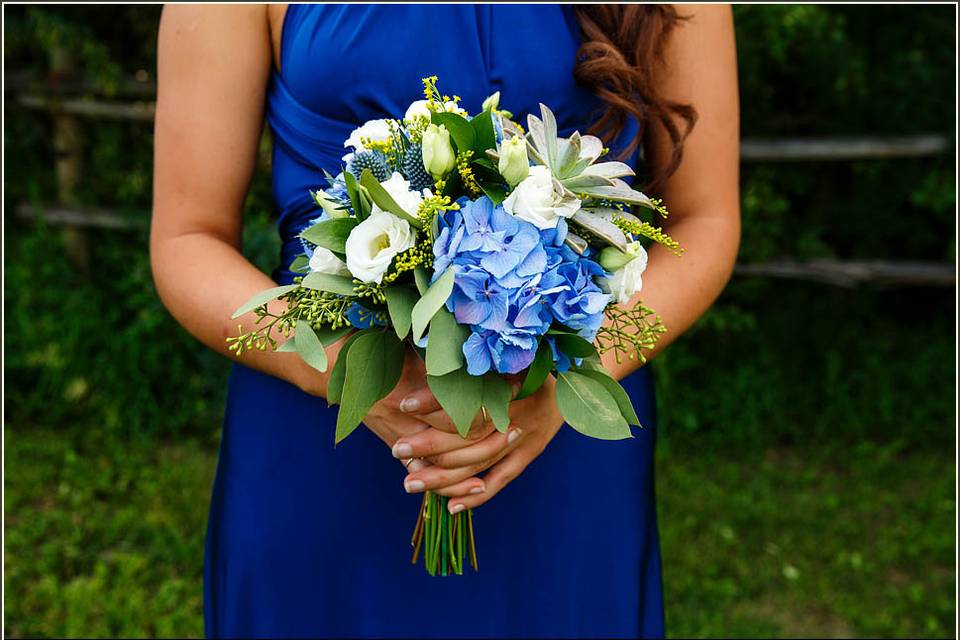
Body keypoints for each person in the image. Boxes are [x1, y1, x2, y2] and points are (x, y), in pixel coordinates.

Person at [151, 4, 740, 638]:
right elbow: (188, 237)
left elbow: (705, 222)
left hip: (559, 444)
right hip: (321, 427)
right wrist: (343, 369)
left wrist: (574, 378)